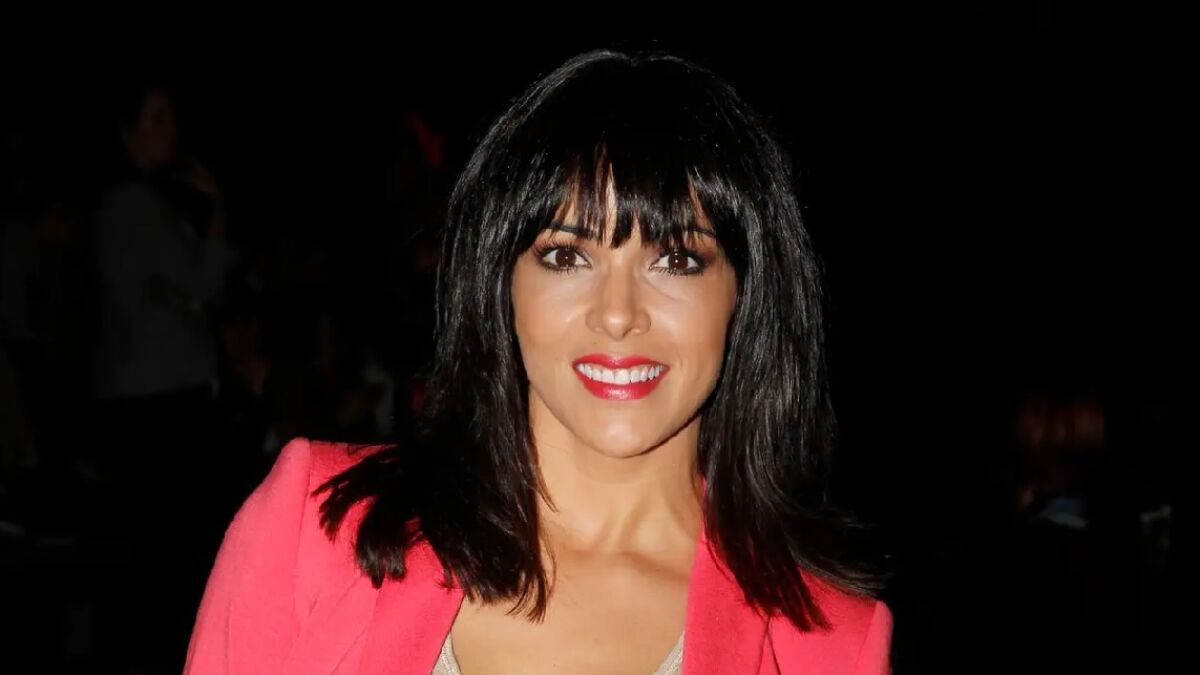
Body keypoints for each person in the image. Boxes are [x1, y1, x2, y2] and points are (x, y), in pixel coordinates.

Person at [185, 50, 892, 674]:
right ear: (503, 283)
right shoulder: (316, 530)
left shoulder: (831, 643)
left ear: (745, 293)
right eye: (566, 255)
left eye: (676, 260)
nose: (618, 313)